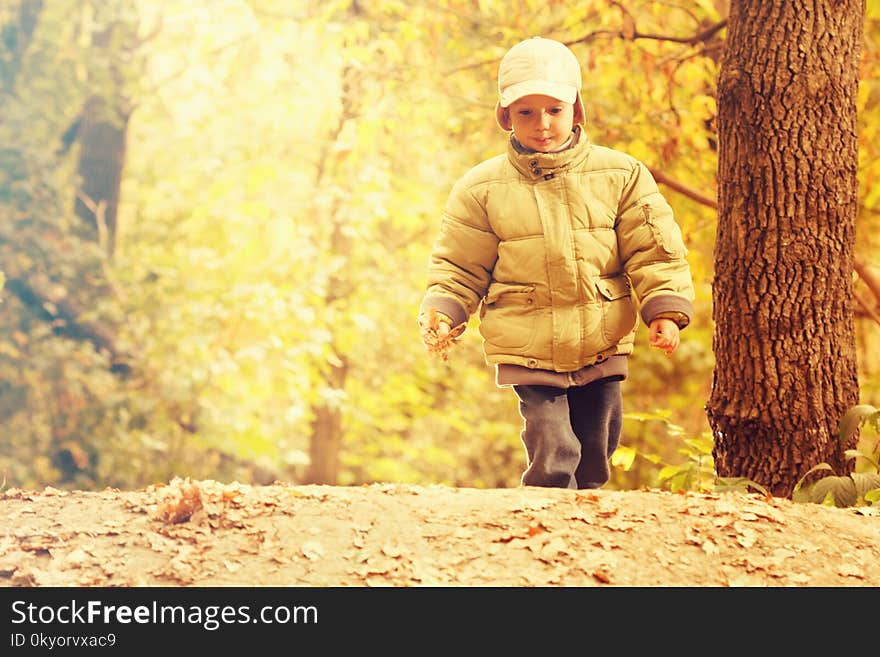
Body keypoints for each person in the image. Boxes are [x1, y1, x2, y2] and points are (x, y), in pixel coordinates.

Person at [418, 36, 695, 490]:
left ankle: (586, 521)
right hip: (527, 337)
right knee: (554, 446)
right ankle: (545, 520)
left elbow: (653, 250)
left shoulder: (621, 175)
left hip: (601, 333)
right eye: (526, 112)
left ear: (576, 111)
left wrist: (664, 310)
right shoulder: (481, 188)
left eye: (554, 110)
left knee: (595, 446)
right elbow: (460, 265)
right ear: (505, 116)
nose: (542, 124)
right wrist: (444, 312)